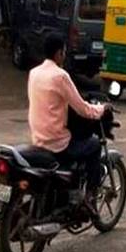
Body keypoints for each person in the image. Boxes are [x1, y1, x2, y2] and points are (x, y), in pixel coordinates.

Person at [28, 34, 108, 203]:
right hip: (57, 143)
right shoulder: (60, 76)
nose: (64, 55)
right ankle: (90, 197)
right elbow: (83, 108)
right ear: (59, 54)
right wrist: (102, 109)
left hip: (38, 139)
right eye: (64, 52)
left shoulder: (34, 73)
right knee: (93, 145)